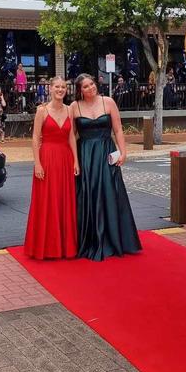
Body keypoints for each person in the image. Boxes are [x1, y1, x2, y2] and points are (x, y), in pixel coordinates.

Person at [70, 73, 141, 261]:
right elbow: (71, 135)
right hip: (86, 155)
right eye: (85, 86)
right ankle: (90, 240)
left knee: (110, 192)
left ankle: (114, 239)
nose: (90, 88)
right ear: (79, 90)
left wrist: (123, 152)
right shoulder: (74, 107)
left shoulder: (108, 102)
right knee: (88, 194)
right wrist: (75, 160)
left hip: (106, 151)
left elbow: (117, 129)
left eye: (92, 84)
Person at [24, 76, 79, 259]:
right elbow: (35, 137)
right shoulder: (42, 110)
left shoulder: (70, 110)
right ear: (50, 88)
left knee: (64, 200)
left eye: (63, 87)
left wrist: (76, 161)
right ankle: (45, 247)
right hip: (47, 158)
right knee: (47, 200)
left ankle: (65, 247)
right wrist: (37, 163)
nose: (60, 89)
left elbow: (71, 136)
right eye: (57, 86)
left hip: (65, 158)